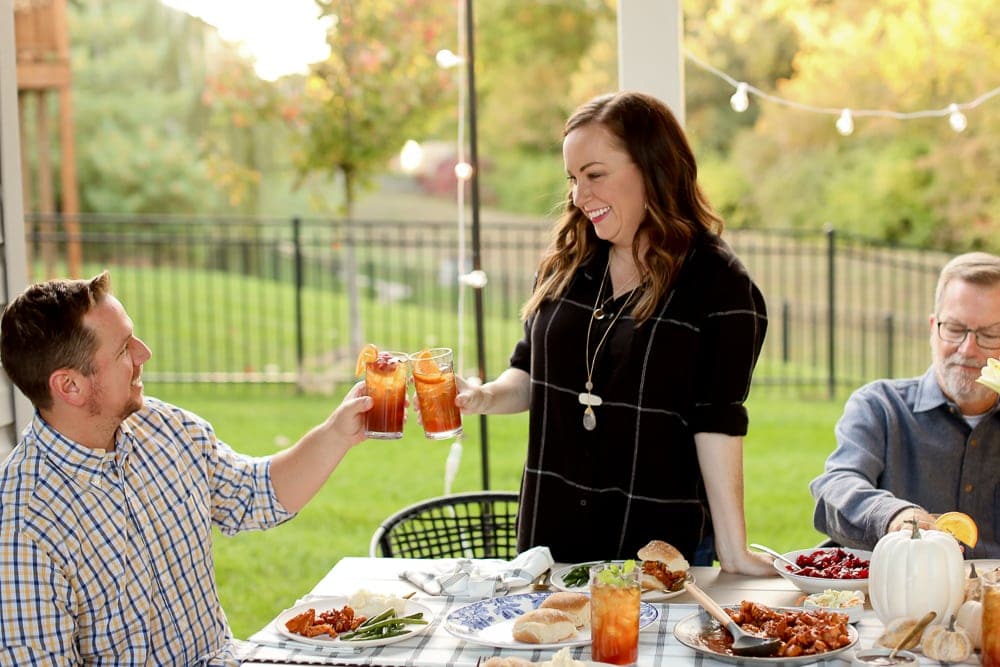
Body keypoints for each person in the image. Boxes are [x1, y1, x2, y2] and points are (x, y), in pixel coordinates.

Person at [456, 91, 773, 574]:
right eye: (573, 179)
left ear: (654, 168)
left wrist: (734, 551)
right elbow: (529, 370)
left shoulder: (720, 285)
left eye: (595, 175)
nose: (580, 198)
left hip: (658, 558)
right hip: (549, 547)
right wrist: (484, 396)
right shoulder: (566, 265)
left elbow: (718, 424)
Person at [0, 272, 372, 664]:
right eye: (124, 349)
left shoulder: (164, 427)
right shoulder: (22, 526)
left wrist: (337, 432)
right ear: (69, 386)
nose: (144, 353)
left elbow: (254, 494)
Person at [811, 251, 1000, 558]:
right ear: (932, 326)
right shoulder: (880, 407)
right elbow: (837, 485)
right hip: (895, 597)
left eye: (989, 334)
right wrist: (894, 517)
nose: (968, 349)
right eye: (953, 328)